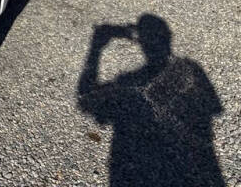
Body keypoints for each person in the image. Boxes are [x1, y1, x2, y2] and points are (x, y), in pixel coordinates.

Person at [78, 14, 224, 186]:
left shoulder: (128, 81)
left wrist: (96, 47)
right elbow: (212, 109)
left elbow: (86, 99)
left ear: (139, 40)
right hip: (197, 169)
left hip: (133, 168)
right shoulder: (191, 68)